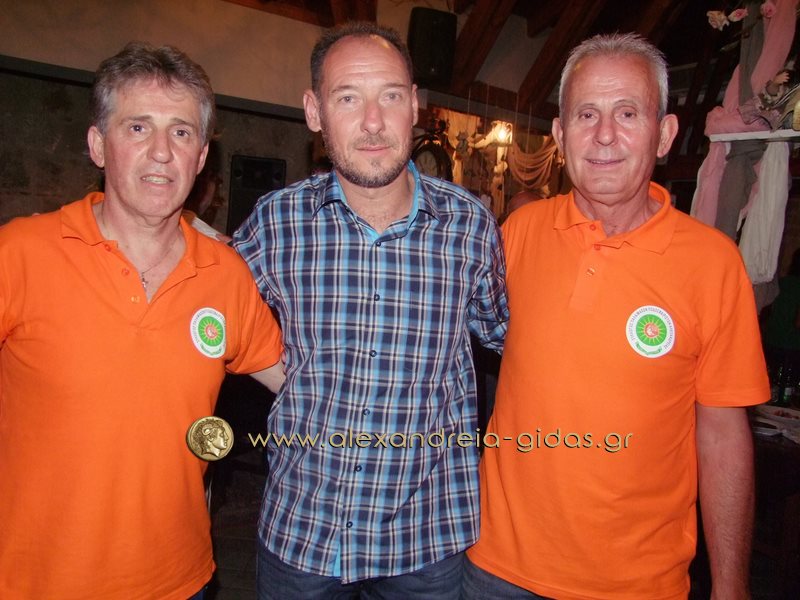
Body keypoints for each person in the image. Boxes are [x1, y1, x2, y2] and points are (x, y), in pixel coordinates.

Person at [464, 33, 769, 599]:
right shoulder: (517, 234)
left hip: (639, 583)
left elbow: (724, 438)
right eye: (586, 114)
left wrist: (730, 584)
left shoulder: (713, 264)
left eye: (628, 113)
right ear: (560, 136)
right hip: (495, 570)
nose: (605, 135)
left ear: (665, 134)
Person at [234, 22, 508, 599]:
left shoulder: (471, 226)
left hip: (426, 540)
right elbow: (209, 314)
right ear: (314, 112)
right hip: (304, 531)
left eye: (390, 95)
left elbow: (511, 339)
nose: (374, 121)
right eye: (347, 99)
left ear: (415, 105)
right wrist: (281, 375)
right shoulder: (276, 223)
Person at [0, 42, 284, 600]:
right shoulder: (21, 253)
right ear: (97, 145)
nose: (161, 152)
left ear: (200, 157)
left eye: (181, 132)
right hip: (36, 581)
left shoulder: (225, 274)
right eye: (137, 128)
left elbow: (300, 383)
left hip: (181, 582)